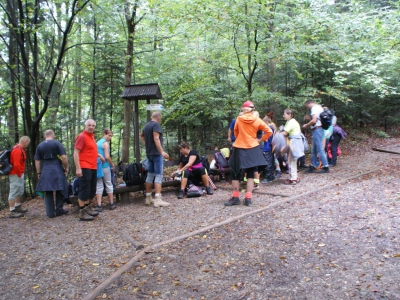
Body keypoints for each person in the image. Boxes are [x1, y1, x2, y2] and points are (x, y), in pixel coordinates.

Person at [225, 101, 272, 206]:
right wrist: (260, 140)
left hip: (239, 147)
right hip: (253, 147)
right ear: (252, 109)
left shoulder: (238, 119)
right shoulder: (257, 120)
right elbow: (269, 131)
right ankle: (248, 199)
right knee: (251, 173)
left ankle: (236, 197)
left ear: (243, 109)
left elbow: (236, 132)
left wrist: (241, 138)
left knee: (235, 172)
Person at [34, 130, 69, 218]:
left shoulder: (40, 145)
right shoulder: (57, 143)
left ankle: (50, 213)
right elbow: (63, 157)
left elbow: (37, 161)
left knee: (48, 190)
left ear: (44, 136)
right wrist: (66, 167)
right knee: (59, 188)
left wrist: (39, 172)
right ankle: (59, 210)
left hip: (45, 168)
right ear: (53, 135)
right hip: (56, 167)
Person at [139, 111, 170, 207]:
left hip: (149, 154)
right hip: (156, 154)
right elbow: (156, 138)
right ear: (159, 118)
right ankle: (158, 199)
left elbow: (141, 135)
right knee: (158, 175)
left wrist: (147, 144)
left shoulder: (147, 125)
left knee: (150, 175)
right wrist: (162, 152)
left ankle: (148, 198)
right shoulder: (156, 125)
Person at [74, 119, 100, 221]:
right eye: (89, 125)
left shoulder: (92, 137)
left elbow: (90, 150)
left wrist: (99, 155)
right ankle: (82, 212)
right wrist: (78, 168)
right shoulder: (82, 137)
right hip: (84, 166)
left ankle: (87, 208)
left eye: (93, 125)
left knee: (91, 190)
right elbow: (76, 152)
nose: (91, 127)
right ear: (85, 125)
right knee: (84, 189)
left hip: (93, 167)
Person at [302, 100, 330, 173]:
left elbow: (314, 121)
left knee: (320, 149)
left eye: (307, 106)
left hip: (317, 130)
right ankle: (312, 166)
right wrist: (309, 119)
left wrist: (306, 125)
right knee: (313, 149)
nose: (307, 108)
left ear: (309, 103)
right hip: (318, 130)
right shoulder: (319, 107)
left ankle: (326, 167)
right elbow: (317, 119)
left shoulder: (314, 108)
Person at [8, 136, 30, 218]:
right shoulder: (17, 150)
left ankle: (17, 206)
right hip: (15, 174)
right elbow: (16, 164)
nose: (28, 145)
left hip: (19, 173)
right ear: (25, 141)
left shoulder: (20, 149)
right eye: (28, 143)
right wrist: (19, 174)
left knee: (20, 190)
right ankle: (12, 210)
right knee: (14, 191)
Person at [281, 109, 304, 185]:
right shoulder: (291, 121)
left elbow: (285, 133)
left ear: (290, 114)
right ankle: (295, 176)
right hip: (296, 142)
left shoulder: (291, 122)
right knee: (294, 160)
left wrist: (277, 135)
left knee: (291, 160)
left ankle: (293, 179)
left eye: (285, 114)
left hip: (294, 143)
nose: (283, 116)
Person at [95, 129, 116, 211]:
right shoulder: (105, 143)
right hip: (105, 166)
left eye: (111, 136)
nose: (110, 138)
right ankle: (111, 203)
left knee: (99, 185)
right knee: (108, 183)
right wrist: (112, 164)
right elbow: (107, 156)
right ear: (104, 134)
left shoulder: (97, 143)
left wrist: (99, 155)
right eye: (109, 135)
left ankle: (99, 205)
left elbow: (94, 152)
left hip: (97, 166)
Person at [261, 116, 275, 183]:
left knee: (268, 163)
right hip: (269, 147)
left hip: (268, 147)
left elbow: (266, 139)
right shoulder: (272, 128)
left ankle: (268, 177)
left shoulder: (269, 128)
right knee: (270, 162)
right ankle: (271, 176)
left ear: (266, 122)